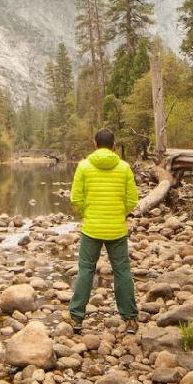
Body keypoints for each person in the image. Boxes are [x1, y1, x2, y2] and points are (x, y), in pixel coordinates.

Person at [68, 127, 140, 332]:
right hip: (117, 229)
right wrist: (120, 214)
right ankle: (130, 320)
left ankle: (76, 319)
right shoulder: (124, 168)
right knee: (122, 272)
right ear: (114, 146)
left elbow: (75, 198)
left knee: (86, 271)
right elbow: (132, 200)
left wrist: (87, 213)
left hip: (91, 228)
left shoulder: (83, 166)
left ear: (95, 144)